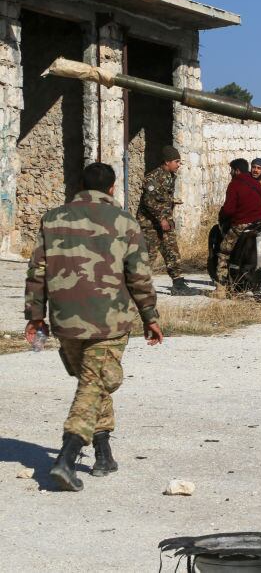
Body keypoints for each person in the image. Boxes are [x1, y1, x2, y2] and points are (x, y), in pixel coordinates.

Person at [25, 162, 163, 492]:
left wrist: (36, 316)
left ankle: (103, 455)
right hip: (109, 321)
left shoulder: (52, 218)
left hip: (66, 320)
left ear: (80, 186)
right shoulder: (124, 221)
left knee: (94, 381)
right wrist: (150, 316)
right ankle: (66, 457)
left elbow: (37, 271)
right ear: (112, 188)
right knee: (96, 382)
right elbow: (139, 275)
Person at [137, 145, 192, 296]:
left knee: (172, 251)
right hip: (150, 225)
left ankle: (178, 284)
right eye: (176, 161)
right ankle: (138, 287)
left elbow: (162, 199)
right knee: (148, 256)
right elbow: (149, 201)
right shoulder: (153, 178)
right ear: (167, 162)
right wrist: (161, 218)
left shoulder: (170, 176)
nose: (179, 164)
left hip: (165, 223)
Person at [214, 158, 261, 297]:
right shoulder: (255, 183)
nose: (230, 173)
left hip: (242, 224)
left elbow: (229, 210)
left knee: (223, 252)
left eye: (231, 170)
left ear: (237, 171)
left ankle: (220, 289)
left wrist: (223, 213)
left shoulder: (234, 184)